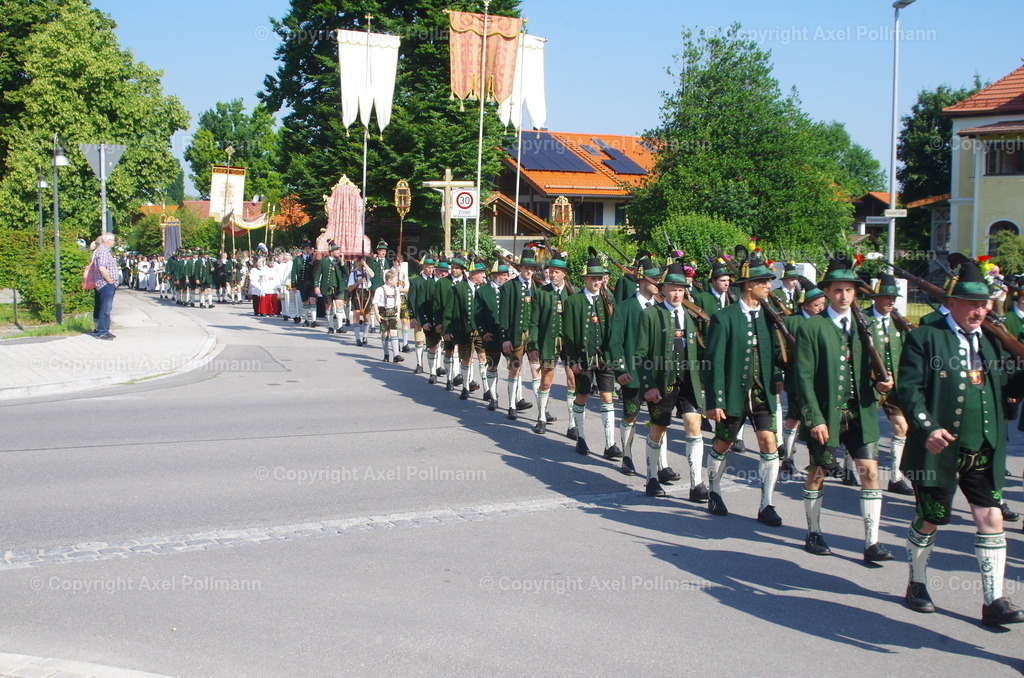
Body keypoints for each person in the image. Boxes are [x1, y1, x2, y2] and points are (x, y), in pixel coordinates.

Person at [898, 257, 1024, 626]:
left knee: (991, 517)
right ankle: (917, 582)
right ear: (950, 303)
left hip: (983, 446)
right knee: (930, 519)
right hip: (938, 448)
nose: (979, 310)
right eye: (971, 303)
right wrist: (927, 427)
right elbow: (910, 390)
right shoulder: (925, 337)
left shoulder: (993, 342)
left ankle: (993, 599)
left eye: (984, 303)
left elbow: (1009, 389)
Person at [795, 257, 895, 561]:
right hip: (827, 414)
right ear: (827, 292)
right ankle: (813, 531)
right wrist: (814, 418)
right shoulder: (813, 328)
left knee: (870, 472)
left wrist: (882, 386)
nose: (844, 296)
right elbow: (803, 378)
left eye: (849, 290)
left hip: (861, 413)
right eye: (837, 290)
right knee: (819, 471)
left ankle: (871, 542)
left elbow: (877, 371)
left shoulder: (868, 326)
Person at [703, 248, 784, 526]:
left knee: (768, 442)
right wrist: (715, 400)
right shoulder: (724, 318)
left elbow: (775, 353)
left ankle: (766, 504)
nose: (769, 287)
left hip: (761, 393)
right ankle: (714, 490)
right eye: (765, 282)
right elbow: (713, 362)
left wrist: (778, 375)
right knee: (723, 443)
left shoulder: (770, 317)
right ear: (750, 285)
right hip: (732, 395)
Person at [632, 262, 709, 500]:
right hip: (660, 379)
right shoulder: (650, 315)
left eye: (681, 289)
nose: (677, 294)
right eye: (673, 289)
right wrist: (648, 385)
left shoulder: (691, 315)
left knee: (694, 427)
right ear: (663, 290)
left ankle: (696, 484)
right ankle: (651, 478)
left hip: (687, 379)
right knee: (659, 429)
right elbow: (640, 353)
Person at [562, 255, 620, 458]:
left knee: (607, 397)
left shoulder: (608, 300)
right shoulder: (573, 301)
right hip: (583, 357)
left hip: (604, 357)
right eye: (593, 278)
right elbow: (568, 333)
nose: (597, 282)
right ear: (585, 279)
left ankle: (610, 444)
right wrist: (573, 359)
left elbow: (613, 329)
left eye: (600, 278)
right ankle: (581, 438)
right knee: (582, 395)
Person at [865, 274, 914, 496]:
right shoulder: (863, 319)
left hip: (893, 385)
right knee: (861, 426)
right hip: (869, 384)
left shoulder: (898, 322)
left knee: (901, 427)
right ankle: (849, 466)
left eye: (894, 297)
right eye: (887, 297)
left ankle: (895, 476)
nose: (891, 301)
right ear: (876, 298)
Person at [777, 279, 827, 474]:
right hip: (797, 379)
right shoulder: (791, 321)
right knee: (794, 419)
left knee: (819, 420)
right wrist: (790, 363)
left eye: (822, 304)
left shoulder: (825, 322)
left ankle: (819, 459)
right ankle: (787, 457)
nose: (820, 308)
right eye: (816, 305)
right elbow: (778, 352)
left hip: (821, 380)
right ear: (805, 304)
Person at [529, 256, 576, 437]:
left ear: (564, 274)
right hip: (548, 341)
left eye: (556, 271)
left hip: (569, 343)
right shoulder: (542, 292)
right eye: (550, 271)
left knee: (572, 381)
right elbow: (534, 322)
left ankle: (572, 424)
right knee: (546, 381)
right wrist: (533, 343)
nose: (552, 274)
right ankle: (541, 418)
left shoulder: (573, 292)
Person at [500, 249, 541, 418]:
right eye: (526, 267)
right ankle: (511, 406)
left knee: (536, 371)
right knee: (515, 369)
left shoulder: (538, 287)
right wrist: (506, 338)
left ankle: (542, 410)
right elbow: (504, 315)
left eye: (531, 268)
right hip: (515, 335)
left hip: (532, 335)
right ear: (520, 268)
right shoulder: (509, 286)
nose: (529, 271)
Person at [444, 261, 487, 400]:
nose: (484, 276)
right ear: (474, 274)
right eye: (482, 273)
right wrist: (447, 329)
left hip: (480, 330)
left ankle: (487, 389)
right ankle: (465, 387)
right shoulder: (458, 288)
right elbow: (449, 309)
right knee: (466, 359)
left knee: (483, 357)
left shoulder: (484, 288)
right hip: (464, 329)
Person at [476, 260, 509, 411]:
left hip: (508, 337)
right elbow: (477, 315)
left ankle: (516, 399)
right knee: (492, 366)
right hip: (491, 336)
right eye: (503, 274)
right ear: (495, 275)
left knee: (515, 367)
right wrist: (483, 332)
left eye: (507, 274)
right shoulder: (482, 292)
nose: (506, 277)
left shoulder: (510, 290)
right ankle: (493, 397)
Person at [408, 254, 440, 375]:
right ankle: (419, 364)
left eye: (432, 267)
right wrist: (412, 316)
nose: (430, 269)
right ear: (423, 267)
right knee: (419, 340)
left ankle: (437, 366)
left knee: (436, 343)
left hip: (433, 317)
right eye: (428, 267)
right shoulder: (416, 281)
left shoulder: (436, 281)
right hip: (419, 316)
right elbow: (412, 300)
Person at [90, 233, 119, 340]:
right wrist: (110, 281)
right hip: (105, 283)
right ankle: (102, 331)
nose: (114, 242)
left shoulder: (105, 251)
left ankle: (105, 329)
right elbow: (102, 268)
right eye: (113, 240)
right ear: (108, 241)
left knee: (107, 308)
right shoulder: (103, 251)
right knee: (105, 308)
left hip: (106, 283)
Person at [373, 270, 404, 362]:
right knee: (385, 333)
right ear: (389, 280)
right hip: (383, 312)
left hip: (393, 312)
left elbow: (398, 302)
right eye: (395, 279)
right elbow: (375, 303)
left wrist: (398, 312)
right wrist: (377, 314)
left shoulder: (396, 289)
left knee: (394, 332)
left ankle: (396, 355)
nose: (397, 281)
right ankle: (386, 354)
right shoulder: (380, 289)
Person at [347, 255, 374, 344]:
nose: (360, 265)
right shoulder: (353, 273)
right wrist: (358, 282)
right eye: (359, 263)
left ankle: (365, 336)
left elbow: (372, 275)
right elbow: (350, 288)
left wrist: (365, 264)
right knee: (356, 315)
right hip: (357, 293)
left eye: (361, 263)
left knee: (366, 316)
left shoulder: (367, 271)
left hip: (366, 292)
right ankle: (358, 338)